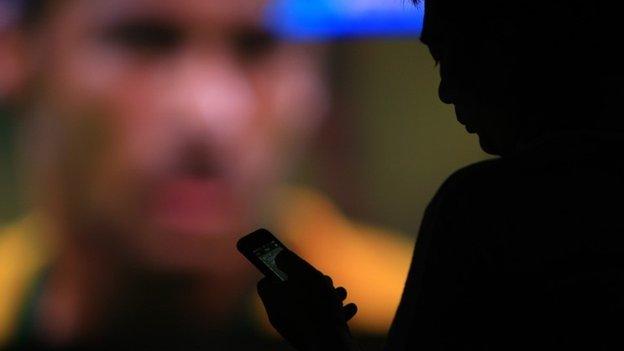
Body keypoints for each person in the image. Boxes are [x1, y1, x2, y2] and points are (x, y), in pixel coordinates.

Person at [0, 0, 414, 349]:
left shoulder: (424, 315)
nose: (209, 113)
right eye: (144, 38)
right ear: (17, 53)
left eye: (258, 46)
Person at [257, 0, 624, 349]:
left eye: (463, 53)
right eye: (438, 59)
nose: (447, 89)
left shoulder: (481, 209)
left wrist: (323, 336)